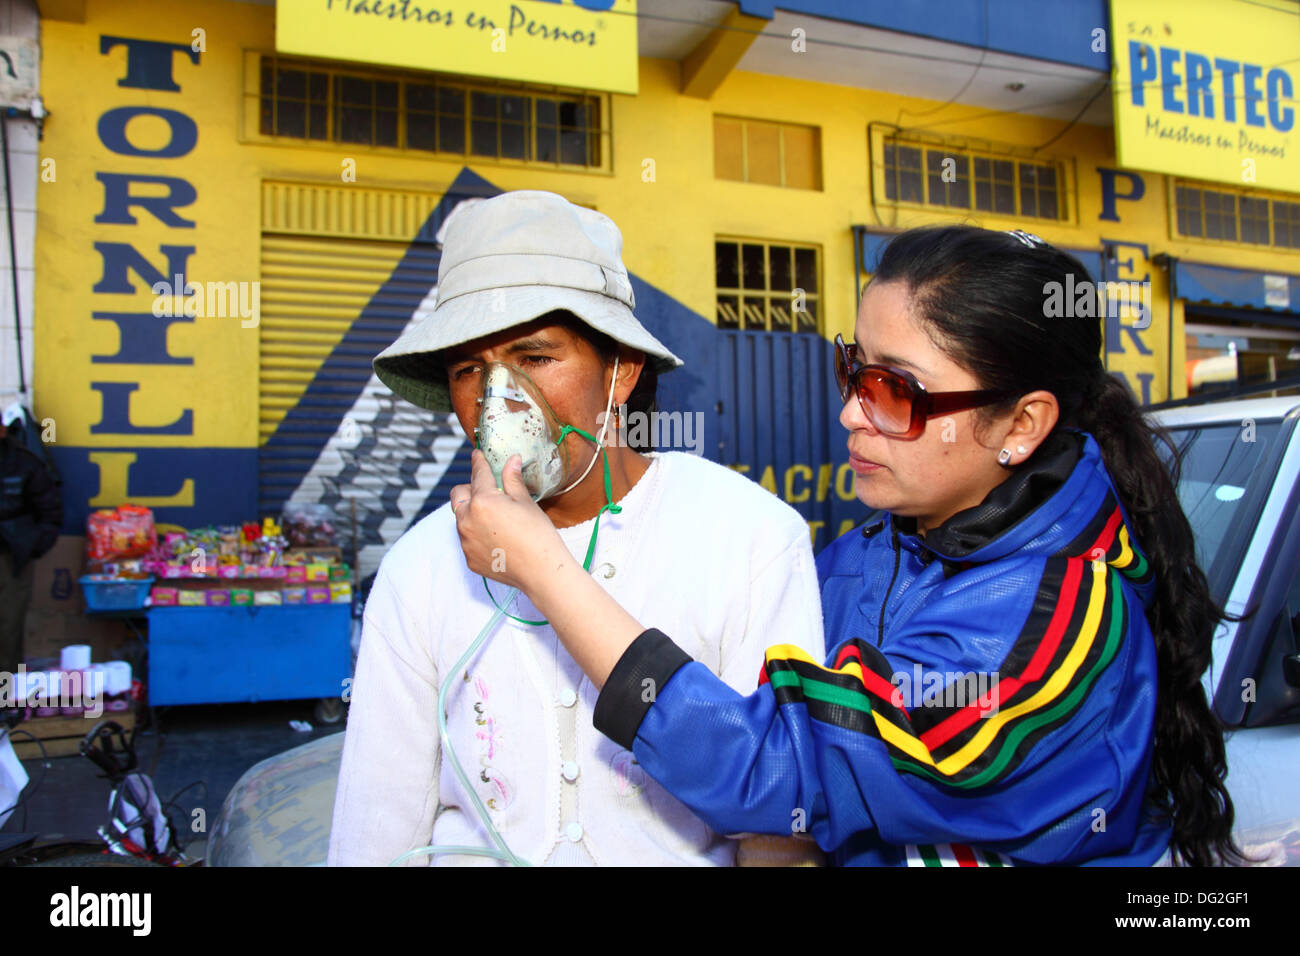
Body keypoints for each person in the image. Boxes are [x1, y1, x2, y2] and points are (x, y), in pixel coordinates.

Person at [452, 225, 1246, 867]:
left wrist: (543, 568)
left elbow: (775, 769)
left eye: (895, 391)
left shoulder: (1054, 636)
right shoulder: (877, 550)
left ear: (1021, 425)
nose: (851, 417)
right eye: (852, 372)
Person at [327, 190, 826, 867]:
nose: (498, 400)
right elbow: (376, 822)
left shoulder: (748, 537)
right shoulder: (419, 567)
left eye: (535, 358)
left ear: (621, 371)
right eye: (469, 369)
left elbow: (778, 831)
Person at [0, 416, 63, 675]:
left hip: (12, 553)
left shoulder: (24, 462)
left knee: (7, 626)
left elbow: (51, 511)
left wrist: (33, 545)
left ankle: (5, 700)